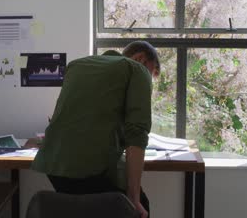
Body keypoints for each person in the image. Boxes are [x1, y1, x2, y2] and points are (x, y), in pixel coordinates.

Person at [32, 40, 159, 218]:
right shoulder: (137, 69)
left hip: (52, 164)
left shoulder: (77, 65)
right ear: (141, 59)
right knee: (140, 205)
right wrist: (134, 196)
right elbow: (136, 133)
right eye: (151, 73)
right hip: (86, 168)